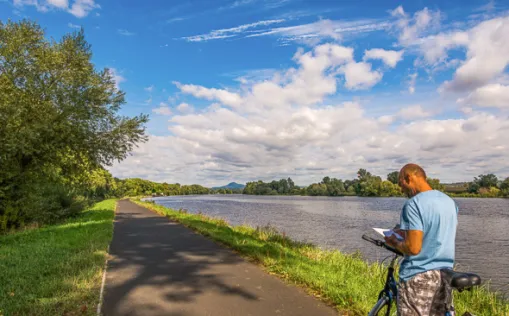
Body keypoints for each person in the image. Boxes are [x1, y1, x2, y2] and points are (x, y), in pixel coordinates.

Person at [385, 163, 458, 316]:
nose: (401, 189)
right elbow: (435, 232)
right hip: (445, 275)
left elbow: (413, 248)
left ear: (409, 177)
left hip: (419, 276)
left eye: (400, 183)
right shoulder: (449, 202)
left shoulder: (413, 204)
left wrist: (394, 242)